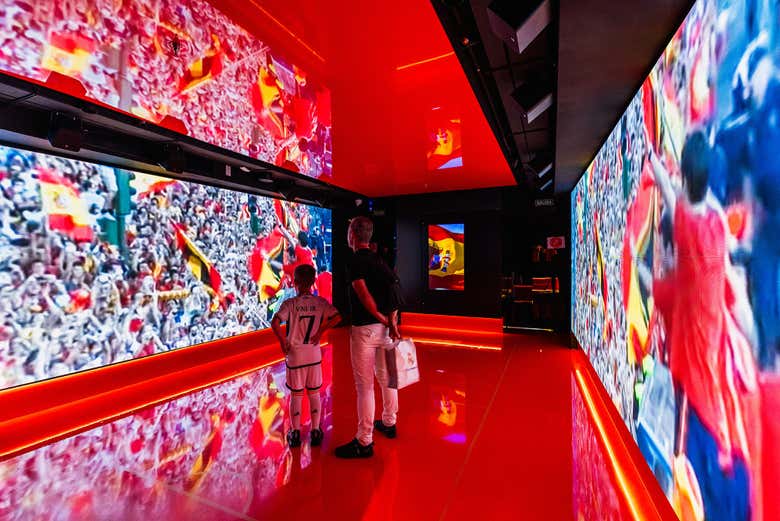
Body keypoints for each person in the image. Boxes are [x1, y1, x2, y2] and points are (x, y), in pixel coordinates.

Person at [335, 216, 401, 459]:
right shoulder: (380, 260)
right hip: (387, 331)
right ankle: (390, 422)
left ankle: (364, 441)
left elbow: (363, 296)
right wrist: (392, 322)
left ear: (352, 234)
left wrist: (384, 319)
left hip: (365, 331)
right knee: (388, 379)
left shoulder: (355, 261)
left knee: (364, 387)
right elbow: (395, 291)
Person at [271, 264, 340, 449]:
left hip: (295, 357)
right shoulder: (320, 303)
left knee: (296, 395)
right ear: (313, 282)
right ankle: (316, 431)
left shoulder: (290, 304)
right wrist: (320, 332)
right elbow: (337, 317)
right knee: (314, 393)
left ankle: (295, 433)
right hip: (313, 355)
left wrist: (283, 342)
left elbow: (275, 322)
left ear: (295, 282)